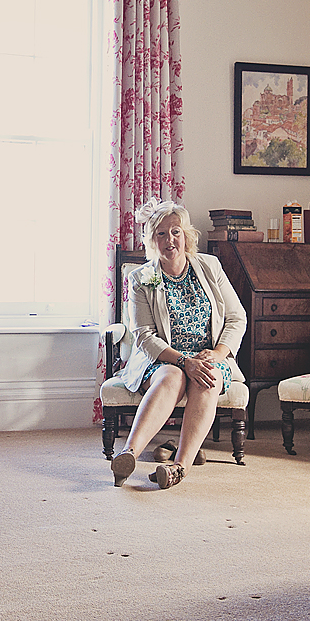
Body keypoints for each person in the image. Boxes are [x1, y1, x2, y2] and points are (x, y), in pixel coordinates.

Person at [110, 199, 248, 490]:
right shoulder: (142, 278)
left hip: (209, 356)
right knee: (172, 376)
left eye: (175, 232)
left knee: (207, 379)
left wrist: (219, 354)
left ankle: (179, 467)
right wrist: (184, 362)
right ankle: (128, 455)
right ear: (152, 241)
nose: (169, 240)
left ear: (186, 235)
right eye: (161, 234)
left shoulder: (210, 266)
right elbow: (145, 336)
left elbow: (237, 318)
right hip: (163, 359)